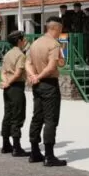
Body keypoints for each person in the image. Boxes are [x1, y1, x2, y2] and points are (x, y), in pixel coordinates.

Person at [25, 17, 67, 167]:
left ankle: (34, 151)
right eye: (60, 29)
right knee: (50, 119)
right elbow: (51, 68)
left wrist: (33, 76)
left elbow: (27, 63)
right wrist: (39, 76)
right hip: (48, 83)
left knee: (37, 116)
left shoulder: (35, 43)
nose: (61, 32)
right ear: (55, 28)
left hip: (37, 85)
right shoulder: (53, 44)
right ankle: (49, 155)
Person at [0, 30, 29, 157]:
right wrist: (10, 82)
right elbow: (17, 73)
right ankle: (16, 147)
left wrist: (6, 82)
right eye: (23, 39)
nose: (25, 41)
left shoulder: (8, 54)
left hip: (8, 88)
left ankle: (6, 144)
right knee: (17, 115)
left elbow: (3, 72)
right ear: (19, 41)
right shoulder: (20, 55)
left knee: (8, 114)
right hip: (16, 87)